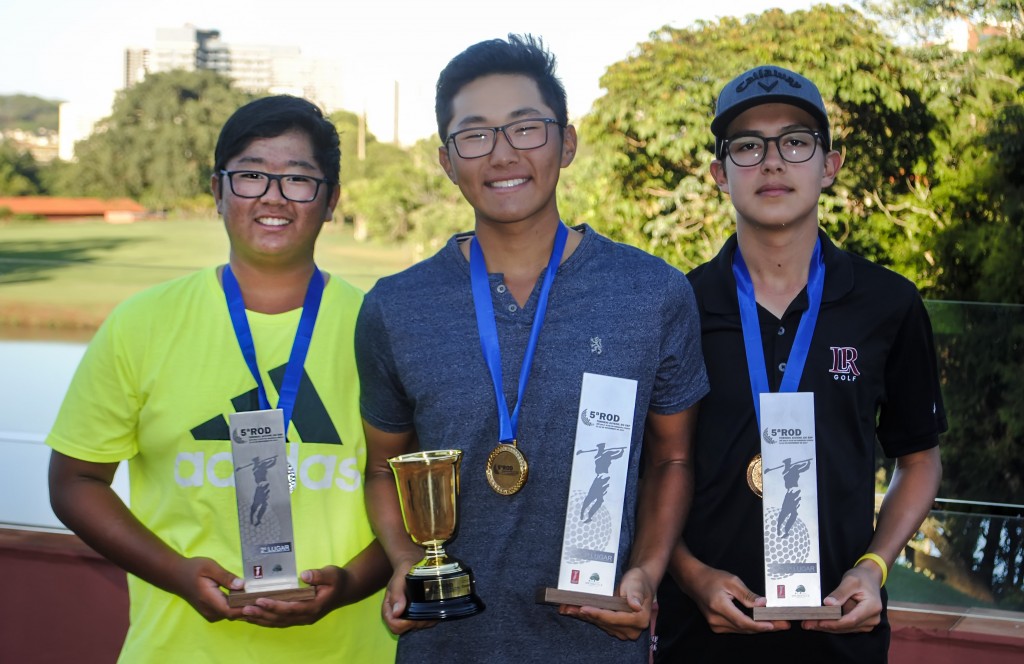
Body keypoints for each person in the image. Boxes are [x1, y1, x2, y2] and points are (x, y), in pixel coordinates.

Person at [355, 34, 709, 663]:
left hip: (595, 645)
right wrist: (409, 562)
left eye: (525, 128)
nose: (502, 154)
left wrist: (648, 572)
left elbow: (673, 460)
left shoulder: (653, 291)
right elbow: (384, 467)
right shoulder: (395, 306)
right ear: (446, 159)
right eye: (476, 135)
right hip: (446, 648)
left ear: (566, 143)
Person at [46, 95, 396, 662]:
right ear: (217, 190)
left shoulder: (382, 328)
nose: (273, 197)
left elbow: (413, 499)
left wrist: (350, 585)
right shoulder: (142, 323)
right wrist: (178, 573)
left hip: (348, 650)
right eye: (251, 175)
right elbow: (75, 482)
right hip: (178, 650)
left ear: (331, 201)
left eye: (299, 180)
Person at [654, 65, 946, 662]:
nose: (771, 161)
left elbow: (918, 460)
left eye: (794, 141)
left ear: (828, 165)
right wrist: (689, 576)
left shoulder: (889, 303)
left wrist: (873, 568)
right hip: (703, 635)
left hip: (842, 633)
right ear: (719, 173)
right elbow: (651, 469)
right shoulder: (677, 306)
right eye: (747, 146)